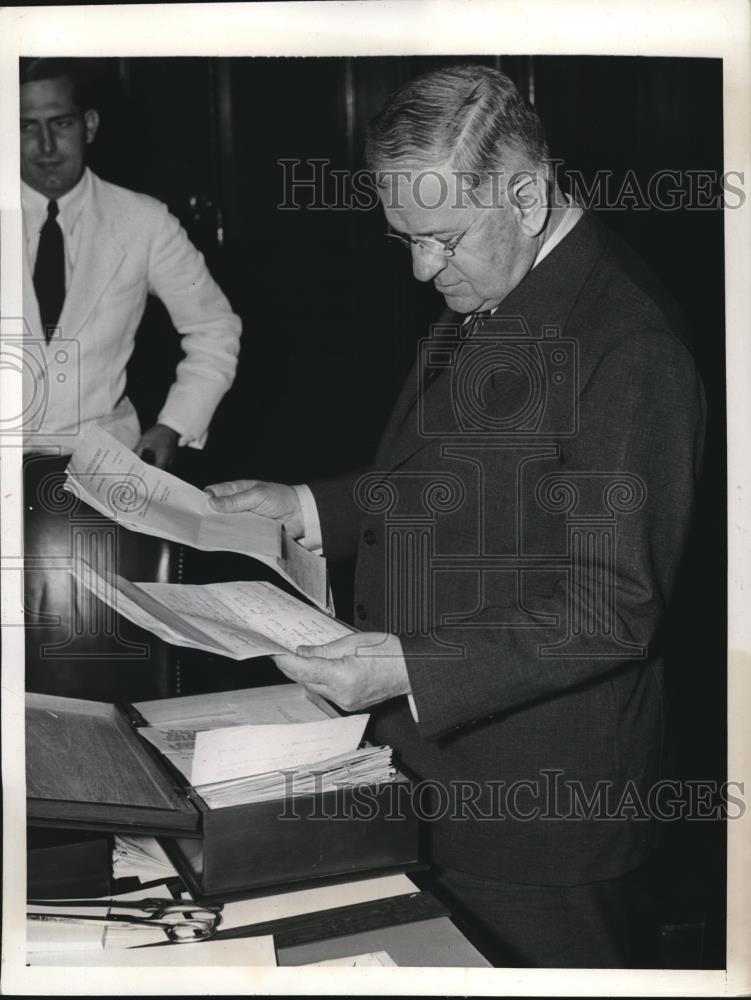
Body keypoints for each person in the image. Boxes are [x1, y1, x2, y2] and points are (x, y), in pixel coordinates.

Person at [206, 65, 706, 967]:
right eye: (403, 238)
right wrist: (309, 506)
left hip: (538, 815)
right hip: (437, 778)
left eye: (439, 240)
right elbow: (457, 472)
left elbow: (610, 606)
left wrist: (404, 668)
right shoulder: (504, 276)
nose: (419, 269)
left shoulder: (629, 346)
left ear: (528, 196)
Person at [19, 58, 241, 468]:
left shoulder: (144, 221)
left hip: (103, 462)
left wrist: (174, 424)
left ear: (88, 125)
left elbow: (214, 326)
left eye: (61, 123)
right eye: (26, 126)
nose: (46, 146)